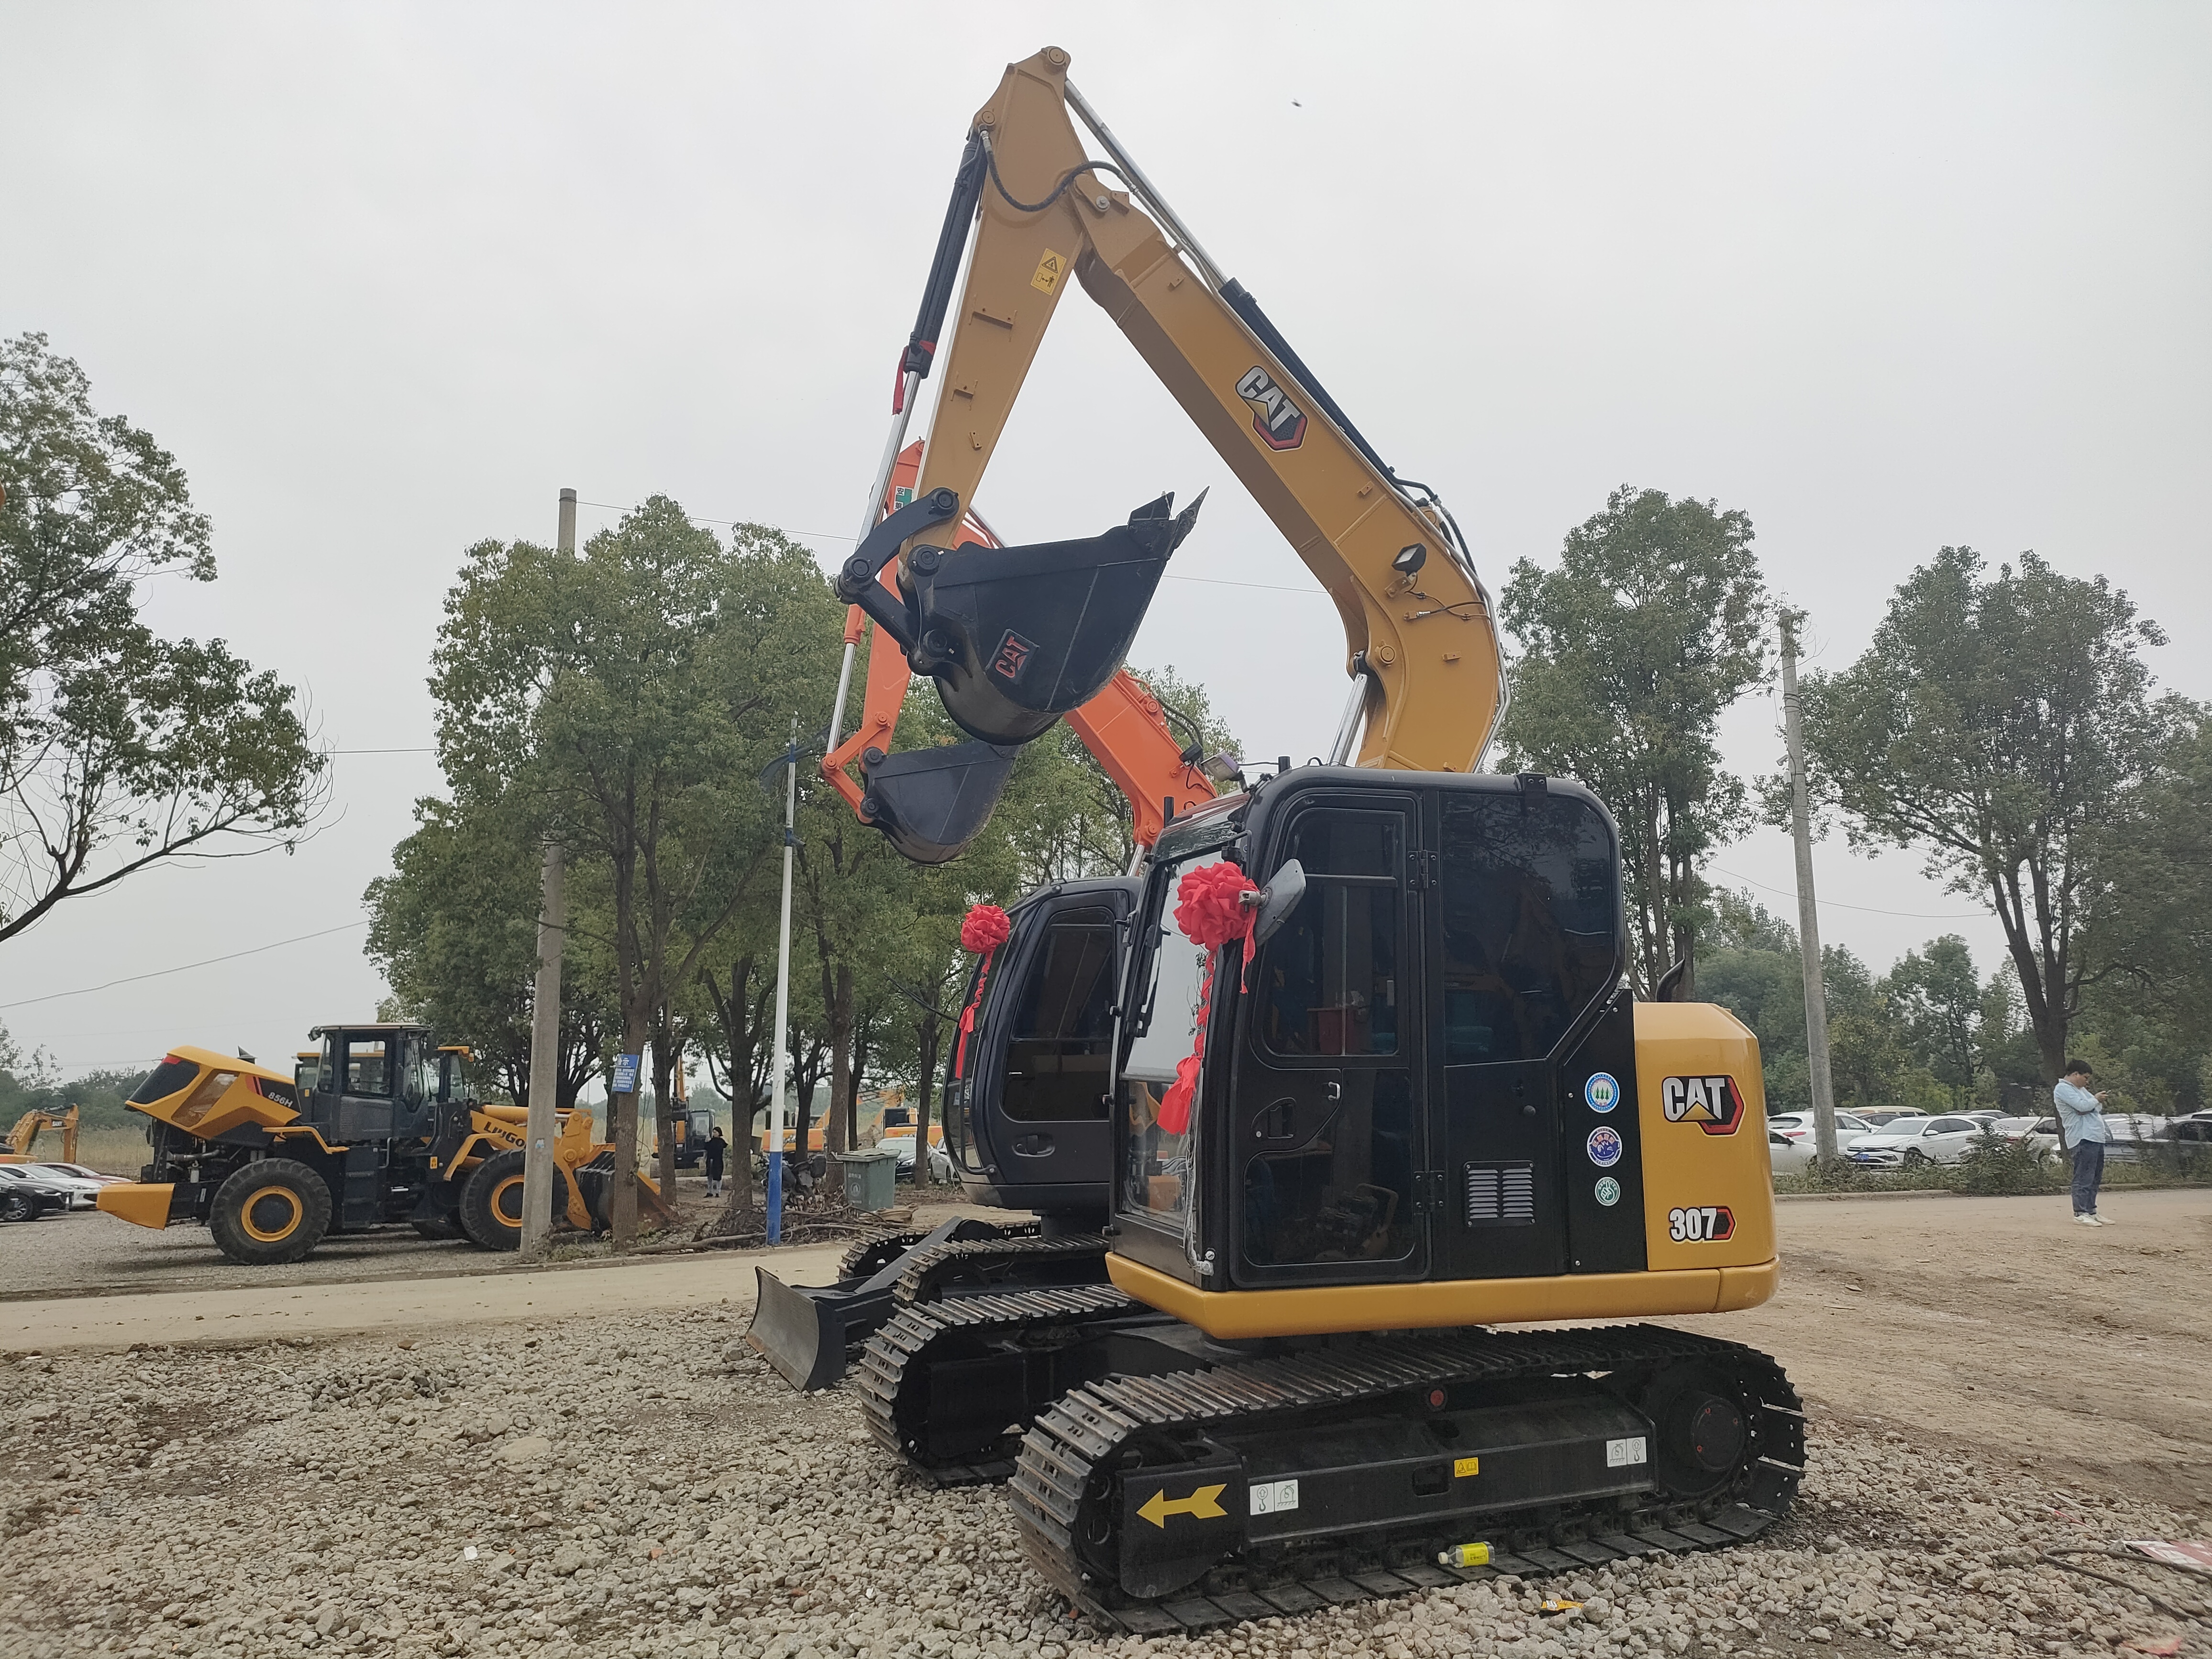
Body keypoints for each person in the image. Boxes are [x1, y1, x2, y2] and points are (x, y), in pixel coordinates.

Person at [2053, 1060, 2110, 1227]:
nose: (2087, 1081)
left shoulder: (2081, 1090)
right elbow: (2082, 1107)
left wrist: (2091, 1104)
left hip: (2095, 1137)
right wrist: (2094, 1100)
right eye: (2085, 1077)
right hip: (2082, 1137)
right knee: (2084, 1176)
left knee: (2095, 1177)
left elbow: (2094, 1108)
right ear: (2075, 1074)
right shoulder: (2063, 1089)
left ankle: (2091, 1210)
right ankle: (2080, 1212)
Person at [703, 1126, 727, 1199]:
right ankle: (710, 1191)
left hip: (718, 1161)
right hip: (710, 1160)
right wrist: (707, 1142)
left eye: (716, 1132)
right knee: (710, 1176)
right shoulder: (711, 1141)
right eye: (713, 1132)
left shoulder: (721, 1142)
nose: (714, 1134)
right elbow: (706, 1149)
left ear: (719, 1133)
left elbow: (721, 1149)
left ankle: (718, 1192)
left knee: (718, 1176)